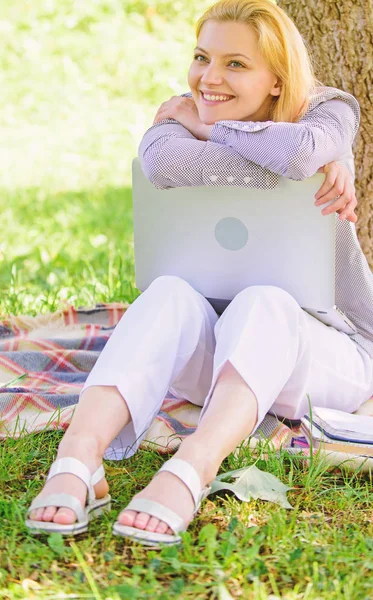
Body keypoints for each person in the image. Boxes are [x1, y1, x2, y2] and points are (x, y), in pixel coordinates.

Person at [26, 0, 373, 546]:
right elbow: (163, 165)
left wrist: (212, 130)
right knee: (166, 293)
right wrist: (263, 150)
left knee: (266, 300)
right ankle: (79, 459)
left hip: (331, 354)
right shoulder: (178, 119)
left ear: (278, 81)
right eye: (201, 57)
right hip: (224, 350)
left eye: (235, 64)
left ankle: (189, 471)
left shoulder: (329, 110)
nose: (208, 79)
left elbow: (304, 152)